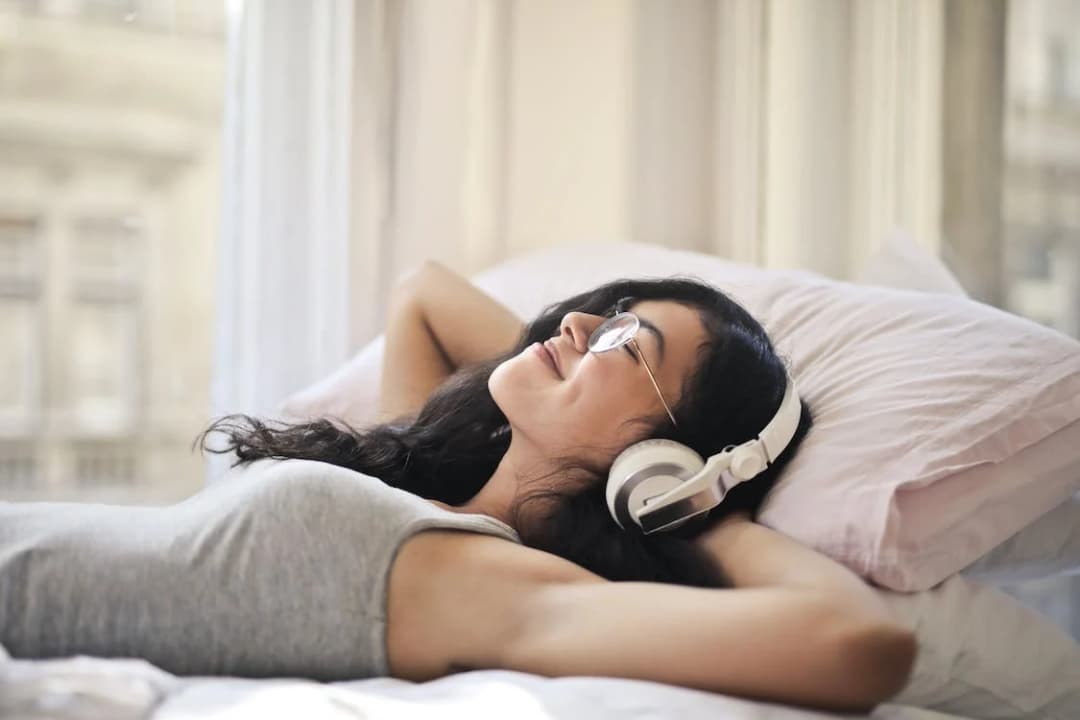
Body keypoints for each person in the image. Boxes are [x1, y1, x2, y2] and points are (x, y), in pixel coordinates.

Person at [0, 261, 916, 714]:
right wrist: (581, 351)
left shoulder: (489, 588)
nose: (582, 323)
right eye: (609, 314)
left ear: (667, 458)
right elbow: (427, 298)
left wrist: (687, 500)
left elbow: (863, 643)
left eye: (628, 345)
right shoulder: (427, 481)